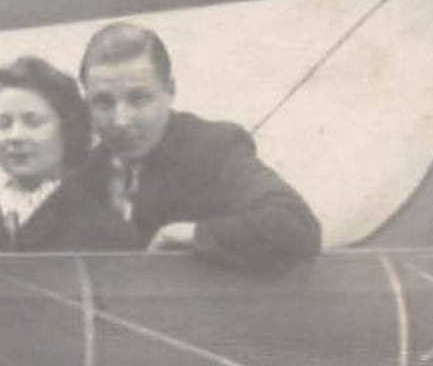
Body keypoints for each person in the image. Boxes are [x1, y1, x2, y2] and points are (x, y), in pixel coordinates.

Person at [76, 21, 322, 274]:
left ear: (170, 91)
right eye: (104, 103)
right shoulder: (85, 172)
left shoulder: (213, 148)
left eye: (139, 99)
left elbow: (297, 225)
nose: (121, 120)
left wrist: (190, 234)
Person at [0, 56, 140, 252]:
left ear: (67, 130)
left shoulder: (107, 234)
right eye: (4, 124)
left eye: (33, 122)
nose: (16, 136)